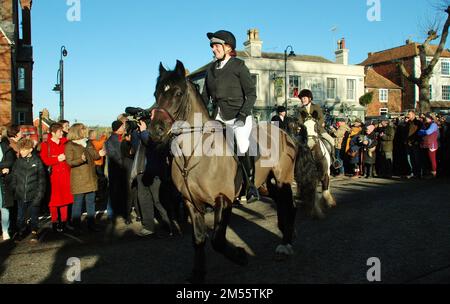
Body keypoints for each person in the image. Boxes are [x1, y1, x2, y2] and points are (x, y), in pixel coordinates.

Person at [201, 29, 259, 203]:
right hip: (218, 116)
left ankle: (250, 186)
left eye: (216, 45)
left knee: (241, 144)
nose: (213, 49)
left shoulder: (238, 66)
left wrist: (243, 114)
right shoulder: (210, 69)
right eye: (212, 46)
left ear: (227, 47)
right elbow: (205, 97)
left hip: (238, 115)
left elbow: (251, 94)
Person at [65, 123, 105, 233]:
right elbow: (70, 162)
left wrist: (99, 153)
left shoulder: (88, 143)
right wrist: (81, 160)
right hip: (79, 179)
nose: (85, 131)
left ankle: (91, 225)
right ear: (77, 131)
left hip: (91, 177)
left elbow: (95, 156)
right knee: (78, 204)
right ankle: (76, 227)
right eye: (83, 130)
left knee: (91, 203)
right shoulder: (70, 145)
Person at [10, 138, 46, 243]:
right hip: (20, 195)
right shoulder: (18, 162)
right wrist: (15, 189)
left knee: (34, 215)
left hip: (34, 195)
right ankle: (21, 231)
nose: (21, 152)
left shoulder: (37, 161)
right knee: (20, 217)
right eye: (20, 150)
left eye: (24, 150)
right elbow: (14, 177)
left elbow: (42, 180)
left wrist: (39, 195)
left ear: (30, 149)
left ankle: (34, 232)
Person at [40, 123, 74, 232]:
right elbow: (44, 160)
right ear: (53, 133)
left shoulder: (66, 143)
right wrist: (57, 159)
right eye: (60, 131)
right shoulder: (46, 145)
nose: (62, 132)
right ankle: (54, 222)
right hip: (53, 176)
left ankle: (63, 222)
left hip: (65, 175)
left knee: (65, 199)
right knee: (54, 201)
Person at [297, 89, 340, 169]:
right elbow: (300, 121)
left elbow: (321, 119)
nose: (303, 100)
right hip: (306, 132)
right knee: (296, 143)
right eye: (302, 98)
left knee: (331, 140)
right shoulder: (300, 109)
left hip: (318, 130)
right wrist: (303, 127)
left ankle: (334, 159)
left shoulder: (316, 107)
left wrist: (316, 126)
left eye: (304, 98)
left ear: (309, 98)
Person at [105, 120, 127, 220]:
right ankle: (111, 213)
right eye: (122, 127)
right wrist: (124, 163)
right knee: (113, 192)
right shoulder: (110, 141)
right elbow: (114, 156)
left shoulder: (121, 139)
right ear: (117, 128)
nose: (124, 128)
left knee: (122, 192)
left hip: (122, 170)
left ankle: (121, 212)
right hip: (115, 170)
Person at [0, 126, 16, 241]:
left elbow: (10, 161)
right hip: (2, 176)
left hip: (3, 182)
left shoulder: (5, 147)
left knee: (4, 207)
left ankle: (5, 230)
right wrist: (1, 169)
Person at [418, 113, 439, 178]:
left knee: (432, 159)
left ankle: (434, 172)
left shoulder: (434, 124)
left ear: (430, 118)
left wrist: (423, 131)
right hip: (425, 144)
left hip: (432, 145)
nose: (425, 118)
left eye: (426, 117)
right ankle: (428, 172)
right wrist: (423, 131)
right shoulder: (425, 124)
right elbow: (419, 132)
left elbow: (428, 132)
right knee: (426, 159)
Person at [404, 111, 423, 179]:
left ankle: (418, 173)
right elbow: (405, 132)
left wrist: (417, 141)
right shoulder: (408, 123)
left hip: (415, 143)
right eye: (408, 114)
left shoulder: (418, 123)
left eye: (409, 114)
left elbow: (420, 133)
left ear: (413, 115)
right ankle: (413, 172)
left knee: (417, 158)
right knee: (409, 159)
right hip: (408, 143)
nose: (408, 115)